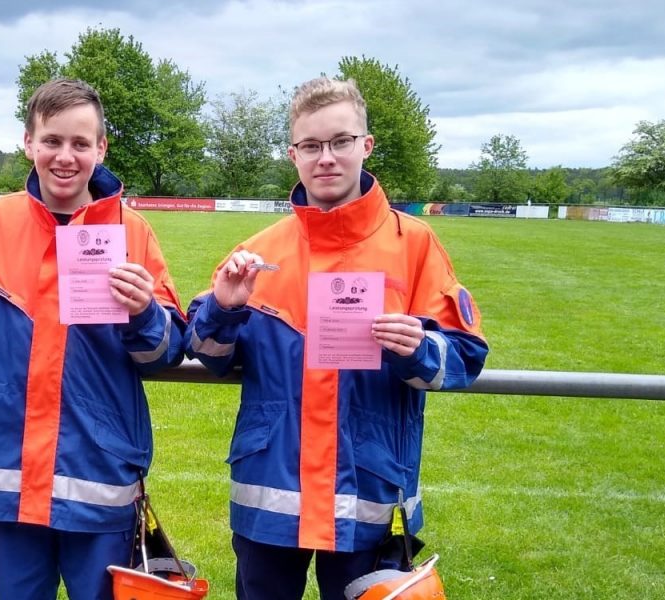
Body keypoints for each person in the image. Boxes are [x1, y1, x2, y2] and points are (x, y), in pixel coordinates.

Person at [185, 77, 488, 600]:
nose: (326, 157)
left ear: (365, 146)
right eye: (311, 145)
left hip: (365, 495)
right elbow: (209, 355)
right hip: (270, 497)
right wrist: (223, 308)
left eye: (340, 141)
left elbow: (463, 357)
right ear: (293, 154)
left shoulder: (413, 244)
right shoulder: (258, 252)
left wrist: (417, 347)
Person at [0, 78, 186, 600]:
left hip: (98, 474)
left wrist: (143, 312)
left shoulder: (133, 232)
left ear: (101, 148)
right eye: (52, 141)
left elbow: (166, 352)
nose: (66, 157)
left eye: (81, 144)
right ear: (28, 142)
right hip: (7, 475)